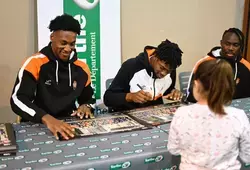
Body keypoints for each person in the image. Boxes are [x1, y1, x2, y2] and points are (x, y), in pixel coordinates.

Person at [10, 14, 94, 140]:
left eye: (72, 44)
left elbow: (88, 99)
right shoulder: (34, 63)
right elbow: (18, 99)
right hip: (36, 125)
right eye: (63, 43)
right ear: (52, 37)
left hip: (67, 126)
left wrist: (86, 106)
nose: (68, 49)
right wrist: (47, 119)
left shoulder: (82, 68)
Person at [168, 59, 250, 170]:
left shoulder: (181, 114)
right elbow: (247, 156)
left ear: (196, 84)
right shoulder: (238, 116)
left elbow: (174, 149)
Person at [104, 39, 183, 112]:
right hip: (128, 115)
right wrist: (130, 96)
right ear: (155, 57)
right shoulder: (131, 66)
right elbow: (108, 98)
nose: (164, 73)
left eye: (168, 71)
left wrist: (173, 92)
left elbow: (166, 90)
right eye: (162, 68)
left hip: (155, 117)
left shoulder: (170, 70)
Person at [186, 28, 250, 103]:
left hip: (237, 110)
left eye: (235, 45)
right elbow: (190, 95)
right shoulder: (204, 63)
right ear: (221, 43)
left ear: (241, 47)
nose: (231, 48)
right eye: (227, 44)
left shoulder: (246, 66)